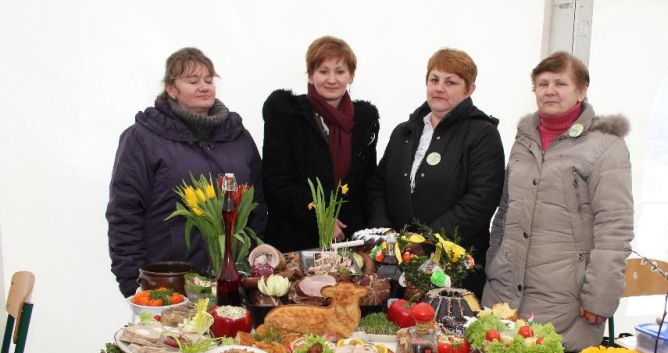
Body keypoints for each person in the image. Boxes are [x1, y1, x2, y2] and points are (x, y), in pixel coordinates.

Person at [482, 51, 634, 353]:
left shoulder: (607, 146)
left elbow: (615, 228)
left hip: (564, 303)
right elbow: (505, 210)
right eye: (542, 83)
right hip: (504, 295)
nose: (550, 90)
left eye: (561, 83)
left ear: (581, 90)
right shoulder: (523, 139)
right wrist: (493, 265)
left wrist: (599, 298)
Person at [106, 47, 267, 297]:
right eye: (192, 81)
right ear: (171, 89)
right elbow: (125, 213)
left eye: (208, 80)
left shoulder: (239, 137)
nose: (203, 87)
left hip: (234, 281)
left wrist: (254, 265)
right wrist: (133, 284)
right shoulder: (142, 138)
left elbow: (257, 204)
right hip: (171, 284)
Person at [368, 48, 505, 298]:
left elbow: (482, 199)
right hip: (396, 264)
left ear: (469, 90)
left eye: (451, 82)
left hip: (453, 269)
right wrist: (385, 233)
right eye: (434, 79)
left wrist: (425, 240)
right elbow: (378, 186)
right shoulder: (404, 132)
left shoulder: (483, 134)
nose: (439, 87)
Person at [262, 36, 379, 252]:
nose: (331, 79)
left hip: (348, 240)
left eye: (340, 71)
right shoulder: (286, 114)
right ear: (310, 75)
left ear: (351, 76)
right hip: (295, 240)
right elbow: (276, 181)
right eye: (323, 71)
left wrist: (372, 234)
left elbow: (367, 182)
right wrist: (321, 218)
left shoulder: (365, 121)